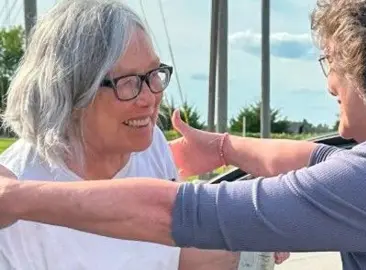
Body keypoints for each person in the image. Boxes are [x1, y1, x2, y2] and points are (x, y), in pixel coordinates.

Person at [0, 0, 366, 269]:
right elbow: (316, 160)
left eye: (331, 63)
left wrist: (17, 198)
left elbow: (186, 215)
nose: (330, 83)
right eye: (129, 81)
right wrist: (226, 148)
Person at [0, 0, 289, 269]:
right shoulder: (15, 197)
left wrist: (256, 239)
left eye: (154, 73)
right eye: (128, 82)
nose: (150, 96)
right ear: (71, 92)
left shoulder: (150, 149)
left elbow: (165, 255)